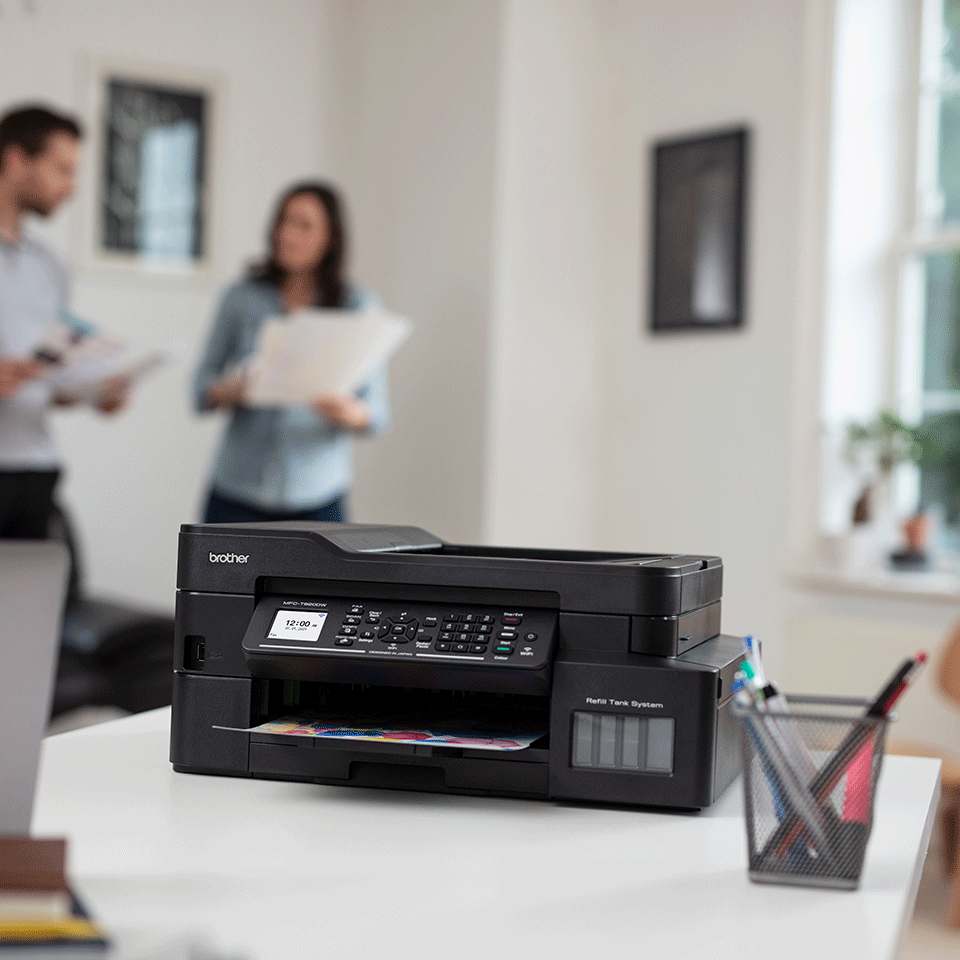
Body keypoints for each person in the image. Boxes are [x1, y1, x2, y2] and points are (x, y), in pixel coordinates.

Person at [193, 181, 390, 524]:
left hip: (318, 494)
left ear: (331, 239)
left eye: (304, 225)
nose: (288, 234)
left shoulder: (358, 307)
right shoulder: (241, 298)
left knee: (316, 581)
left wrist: (347, 411)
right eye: (283, 220)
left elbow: (377, 413)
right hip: (237, 490)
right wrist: (230, 390)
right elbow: (198, 390)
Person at [0, 104, 129, 539]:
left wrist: (94, 391)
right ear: (16, 160)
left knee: (43, 602)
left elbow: (49, 381)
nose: (71, 188)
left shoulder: (49, 266)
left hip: (34, 472)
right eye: (61, 170)